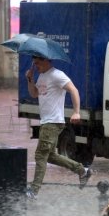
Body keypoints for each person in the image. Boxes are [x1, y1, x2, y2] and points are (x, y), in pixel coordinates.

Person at [25, 55, 92, 200]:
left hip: (52, 122)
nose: (36, 66)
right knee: (50, 156)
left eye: (38, 63)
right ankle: (82, 171)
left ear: (47, 60)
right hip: (46, 121)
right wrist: (30, 79)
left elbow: (73, 90)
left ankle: (33, 191)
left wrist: (76, 112)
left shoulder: (57, 75)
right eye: (34, 64)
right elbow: (34, 94)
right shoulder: (42, 76)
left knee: (40, 155)